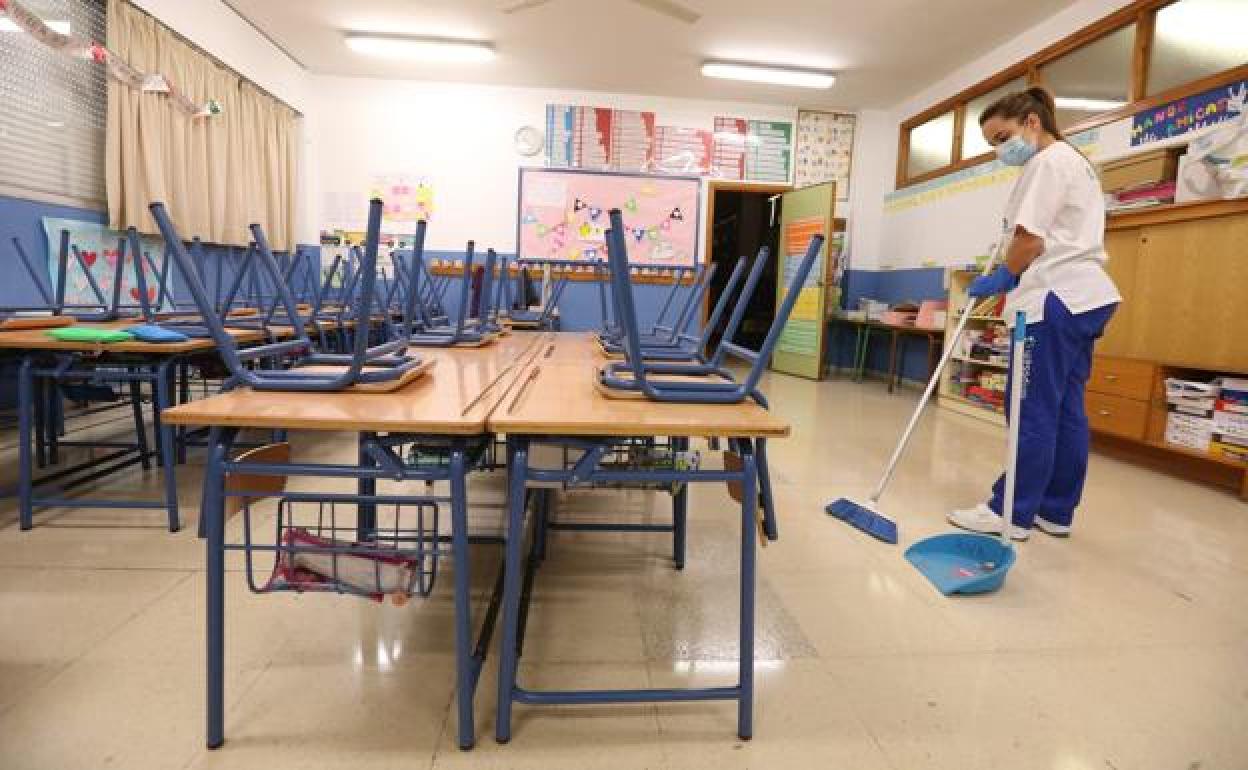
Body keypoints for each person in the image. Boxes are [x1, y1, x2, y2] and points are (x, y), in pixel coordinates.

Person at [948, 86, 1121, 541]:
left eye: (1002, 136)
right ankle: (1055, 510)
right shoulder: (1075, 161)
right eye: (991, 143)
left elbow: (1030, 239)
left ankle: (1012, 512)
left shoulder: (1046, 163)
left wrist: (1005, 276)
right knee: (1065, 410)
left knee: (1031, 410)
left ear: (1031, 122)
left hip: (1055, 299)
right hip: (1089, 297)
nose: (1000, 149)